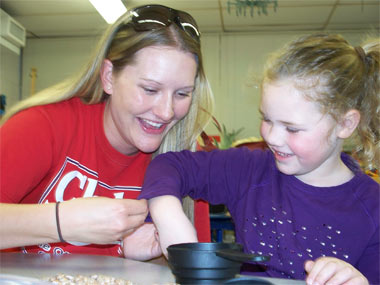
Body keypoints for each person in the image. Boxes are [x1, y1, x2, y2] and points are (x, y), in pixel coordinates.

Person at [139, 34, 379, 284]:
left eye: (292, 128)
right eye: (266, 119)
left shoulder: (373, 208)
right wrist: (168, 217)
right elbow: (169, 166)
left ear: (345, 123)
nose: (273, 137)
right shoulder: (250, 170)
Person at [0, 4, 213, 261]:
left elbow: (195, 269)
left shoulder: (188, 160)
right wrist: (61, 222)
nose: (166, 112)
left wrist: (133, 254)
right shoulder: (42, 126)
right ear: (109, 76)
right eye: (150, 89)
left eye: (181, 94)